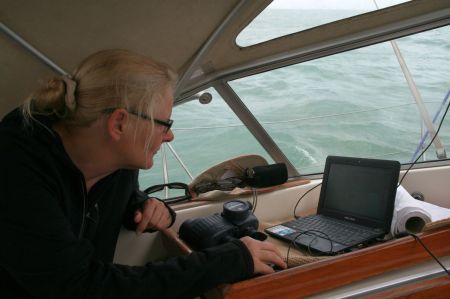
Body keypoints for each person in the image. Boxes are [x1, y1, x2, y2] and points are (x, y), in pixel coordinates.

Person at [0, 49, 286, 298]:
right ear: (120, 124)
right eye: (164, 123)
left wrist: (139, 206)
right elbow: (78, 287)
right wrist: (228, 260)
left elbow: (91, 201)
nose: (170, 135)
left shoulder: (115, 162)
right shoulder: (16, 169)